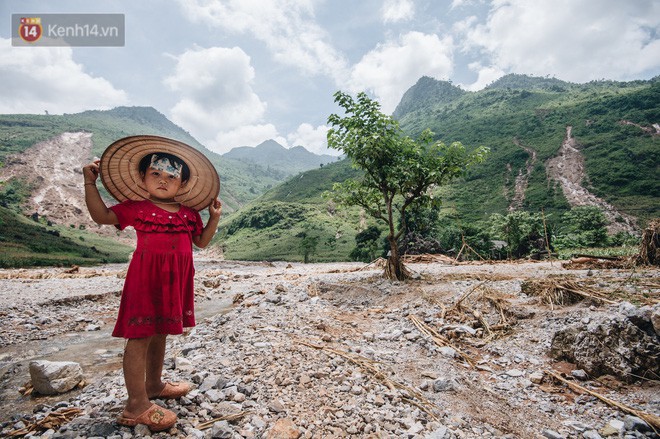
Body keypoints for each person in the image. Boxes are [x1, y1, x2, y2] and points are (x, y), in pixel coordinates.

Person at [82, 136, 221, 432]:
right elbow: (101, 216)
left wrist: (214, 219)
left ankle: (154, 384)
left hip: (175, 280)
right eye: (155, 173)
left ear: (182, 184)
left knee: (160, 332)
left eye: (171, 176)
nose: (163, 180)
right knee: (140, 334)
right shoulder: (137, 208)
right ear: (142, 178)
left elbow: (202, 243)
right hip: (146, 279)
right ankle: (135, 405)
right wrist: (90, 184)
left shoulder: (189, 214)